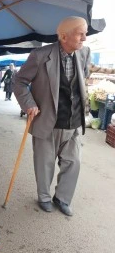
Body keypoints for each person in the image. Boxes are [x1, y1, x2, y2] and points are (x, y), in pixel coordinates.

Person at [13, 16, 91, 216]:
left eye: (85, 32)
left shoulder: (85, 53)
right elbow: (20, 82)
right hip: (47, 120)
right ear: (64, 36)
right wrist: (29, 104)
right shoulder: (40, 55)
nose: (85, 37)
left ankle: (62, 198)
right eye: (80, 33)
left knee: (73, 163)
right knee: (45, 163)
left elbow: (83, 79)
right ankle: (45, 197)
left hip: (73, 120)